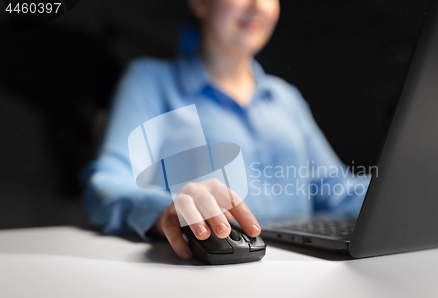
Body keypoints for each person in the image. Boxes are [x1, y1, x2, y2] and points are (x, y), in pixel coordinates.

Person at [81, 0, 370, 261]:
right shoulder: (150, 82)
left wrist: (403, 185)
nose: (258, 5)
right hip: (214, 273)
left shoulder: (285, 97)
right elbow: (106, 184)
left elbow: (337, 190)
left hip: (308, 268)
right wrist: (164, 208)